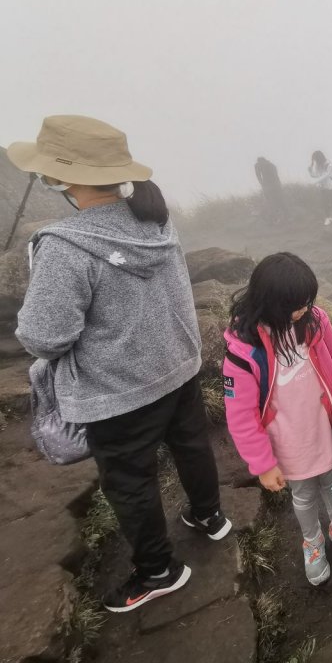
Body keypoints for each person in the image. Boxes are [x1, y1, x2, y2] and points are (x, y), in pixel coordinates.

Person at [9, 115, 231, 612]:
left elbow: (45, 337)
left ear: (62, 177)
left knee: (130, 482)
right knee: (191, 444)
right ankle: (210, 516)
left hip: (120, 389)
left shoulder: (64, 246)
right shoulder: (154, 218)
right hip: (178, 364)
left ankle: (157, 571)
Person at [222, 253, 332, 586]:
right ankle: (312, 542)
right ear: (269, 303)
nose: (303, 310)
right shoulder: (244, 349)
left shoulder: (315, 321)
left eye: (307, 301)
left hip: (326, 425)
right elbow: (240, 415)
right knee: (303, 495)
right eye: (295, 306)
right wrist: (262, 464)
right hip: (288, 439)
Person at [309, 150, 332, 226]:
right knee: (325, 203)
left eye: (316, 159)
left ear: (319, 158)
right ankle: (328, 218)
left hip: (331, 186)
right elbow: (316, 175)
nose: (315, 161)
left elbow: (326, 175)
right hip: (323, 187)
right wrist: (310, 172)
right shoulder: (318, 166)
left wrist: (315, 182)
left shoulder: (329, 165)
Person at [254, 156, 285, 223]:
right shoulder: (271, 165)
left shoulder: (260, 165)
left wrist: (262, 184)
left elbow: (258, 175)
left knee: (271, 202)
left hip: (270, 186)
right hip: (275, 185)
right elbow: (276, 176)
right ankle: (282, 217)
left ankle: (275, 219)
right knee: (279, 201)